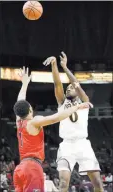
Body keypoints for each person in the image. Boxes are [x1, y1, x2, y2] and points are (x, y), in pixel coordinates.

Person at [13, 66, 92, 192]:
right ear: (30, 110)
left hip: (20, 169)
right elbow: (57, 117)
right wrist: (77, 107)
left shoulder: (19, 120)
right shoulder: (34, 121)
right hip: (32, 168)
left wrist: (24, 84)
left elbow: (20, 102)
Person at [43, 52, 104, 192]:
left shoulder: (85, 103)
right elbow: (57, 83)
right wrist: (54, 65)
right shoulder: (62, 103)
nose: (69, 88)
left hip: (83, 144)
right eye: (67, 88)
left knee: (98, 184)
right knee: (63, 184)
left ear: (77, 91)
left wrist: (64, 67)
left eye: (71, 87)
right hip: (67, 145)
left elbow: (76, 84)